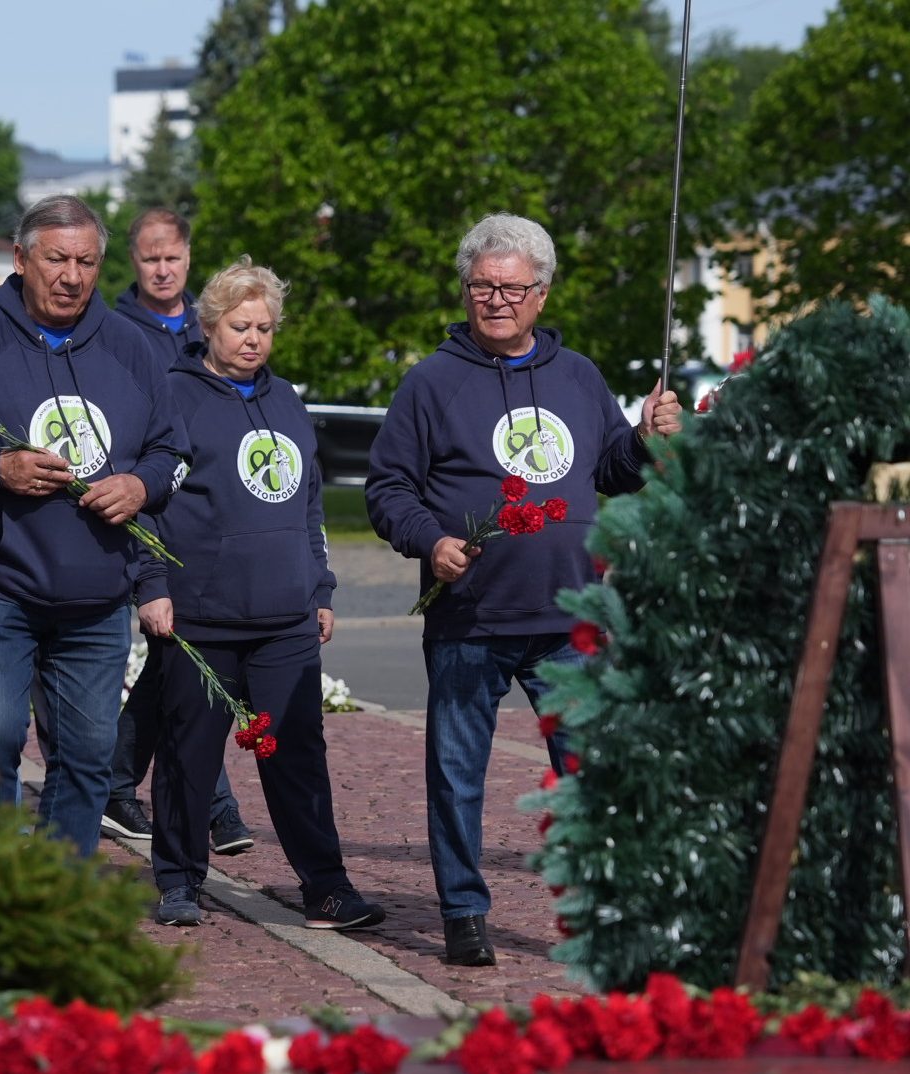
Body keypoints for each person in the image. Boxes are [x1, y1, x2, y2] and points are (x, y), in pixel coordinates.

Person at [364, 213, 683, 965]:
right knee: (455, 773)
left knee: (591, 772)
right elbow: (386, 488)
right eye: (482, 284)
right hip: (470, 614)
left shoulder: (579, 375)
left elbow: (611, 470)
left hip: (570, 613)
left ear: (542, 292)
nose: (496, 299)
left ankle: (607, 908)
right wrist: (429, 540)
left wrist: (642, 438)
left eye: (512, 286)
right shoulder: (430, 382)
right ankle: (465, 912)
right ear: (466, 289)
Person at [0, 194, 189, 857]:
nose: (72, 276)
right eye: (56, 259)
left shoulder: (133, 348)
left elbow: (174, 453)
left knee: (88, 750)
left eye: (86, 261)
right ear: (22, 259)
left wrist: (140, 484)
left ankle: (56, 892)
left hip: (98, 587)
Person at [134, 257, 381, 929]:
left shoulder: (286, 400)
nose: (253, 339)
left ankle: (326, 888)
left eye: (265, 328)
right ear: (210, 324)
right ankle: (180, 878)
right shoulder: (174, 394)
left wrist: (321, 586)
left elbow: (307, 501)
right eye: (240, 325)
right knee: (190, 754)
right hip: (202, 615)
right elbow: (147, 500)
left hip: (285, 619)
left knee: (296, 752)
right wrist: (151, 584)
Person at [101, 207, 251, 854]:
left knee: (174, 659)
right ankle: (217, 807)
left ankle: (114, 776)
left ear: (189, 258)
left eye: (173, 257)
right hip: (145, 504)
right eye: (150, 258)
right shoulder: (111, 330)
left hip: (207, 511)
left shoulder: (207, 325)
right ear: (134, 262)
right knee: (183, 653)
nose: (162, 269)